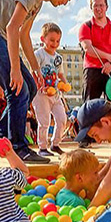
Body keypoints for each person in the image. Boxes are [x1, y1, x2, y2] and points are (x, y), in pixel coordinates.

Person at [0, 0, 76, 164]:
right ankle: (19, 147)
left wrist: (35, 70)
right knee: (17, 88)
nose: (64, 3)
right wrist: (15, 70)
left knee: (31, 87)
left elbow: (24, 35)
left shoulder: (38, 2)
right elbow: (12, 29)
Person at [78, 0, 111, 101]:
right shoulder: (86, 26)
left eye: (101, 5)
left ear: (106, 7)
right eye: (95, 6)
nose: (98, 9)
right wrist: (109, 57)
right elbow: (88, 48)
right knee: (90, 105)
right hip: (92, 69)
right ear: (91, 8)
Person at [34, 22, 69, 156]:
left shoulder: (58, 58)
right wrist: (39, 85)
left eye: (58, 41)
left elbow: (60, 73)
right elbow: (34, 71)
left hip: (55, 93)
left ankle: (55, 144)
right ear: (43, 39)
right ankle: (42, 147)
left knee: (62, 119)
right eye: (52, 40)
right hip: (42, 94)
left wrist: (65, 84)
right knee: (44, 121)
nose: (55, 43)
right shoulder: (39, 54)